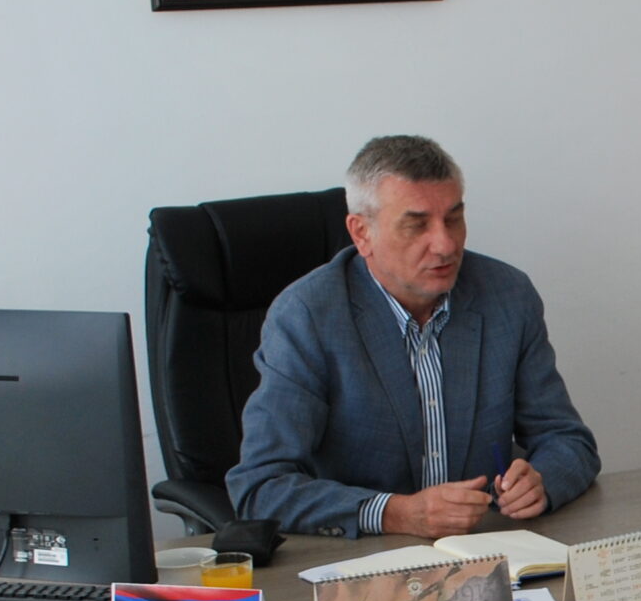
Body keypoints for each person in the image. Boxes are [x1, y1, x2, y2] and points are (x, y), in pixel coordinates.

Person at [228, 135, 601, 537]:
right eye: (417, 225)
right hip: (361, 557)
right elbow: (261, 487)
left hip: (486, 547)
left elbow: (568, 440)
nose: (445, 244)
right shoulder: (308, 316)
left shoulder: (507, 296)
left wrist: (541, 482)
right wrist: (396, 513)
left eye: (453, 219)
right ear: (361, 233)